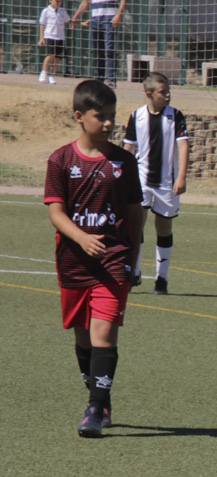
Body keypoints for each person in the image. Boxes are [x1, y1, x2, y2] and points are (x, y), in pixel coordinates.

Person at [44, 79, 143, 438]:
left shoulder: (124, 162)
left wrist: (134, 254)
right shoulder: (60, 160)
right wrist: (82, 239)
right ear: (79, 116)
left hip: (114, 261)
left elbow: (135, 212)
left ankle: (95, 410)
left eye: (112, 117)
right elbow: (56, 212)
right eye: (100, 117)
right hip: (73, 263)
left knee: (104, 334)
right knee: (83, 338)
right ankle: (99, 394)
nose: (108, 124)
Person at [122, 72, 188, 295]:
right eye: (163, 92)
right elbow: (129, 149)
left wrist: (181, 177)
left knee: (164, 227)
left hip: (167, 183)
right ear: (149, 94)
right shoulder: (136, 116)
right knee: (136, 224)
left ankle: (162, 278)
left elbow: (184, 146)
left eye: (169, 91)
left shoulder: (176, 116)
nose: (168, 95)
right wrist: (122, 176)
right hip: (141, 181)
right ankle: (135, 272)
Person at [72, 0, 126, 87]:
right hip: (95, 19)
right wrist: (75, 18)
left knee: (109, 50)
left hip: (110, 19)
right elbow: (86, 3)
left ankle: (111, 79)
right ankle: (99, 79)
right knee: (98, 51)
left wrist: (119, 15)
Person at [38, 0, 71, 85]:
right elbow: (42, 24)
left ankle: (52, 75)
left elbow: (68, 21)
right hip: (49, 36)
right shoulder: (46, 11)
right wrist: (42, 38)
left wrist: (80, 23)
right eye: (57, 1)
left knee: (57, 58)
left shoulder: (62, 11)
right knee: (50, 55)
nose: (58, 3)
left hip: (60, 37)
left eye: (60, 2)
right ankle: (44, 72)